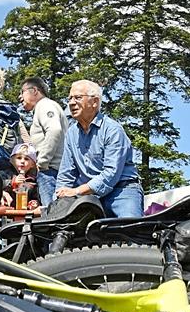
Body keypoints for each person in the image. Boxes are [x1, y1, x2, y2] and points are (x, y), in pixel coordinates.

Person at [55, 80, 143, 218]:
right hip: (88, 195)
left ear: (95, 102)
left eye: (77, 98)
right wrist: (58, 201)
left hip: (122, 190)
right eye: (70, 98)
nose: (71, 103)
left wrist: (77, 191)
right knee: (63, 231)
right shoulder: (71, 133)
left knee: (133, 231)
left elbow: (111, 174)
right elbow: (66, 174)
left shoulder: (113, 130)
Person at [19, 76, 65, 207]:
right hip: (52, 170)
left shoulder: (45, 105)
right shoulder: (45, 107)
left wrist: (42, 162)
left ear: (34, 90)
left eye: (22, 92)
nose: (20, 97)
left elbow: (55, 130)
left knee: (51, 215)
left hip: (51, 171)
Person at [1, 142, 41, 210]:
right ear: (12, 160)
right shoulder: (6, 174)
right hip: (6, 210)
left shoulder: (32, 180)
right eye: (19, 158)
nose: (22, 161)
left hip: (23, 211)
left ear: (32, 164)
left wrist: (34, 202)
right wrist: (12, 182)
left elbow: (35, 196)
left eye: (26, 159)